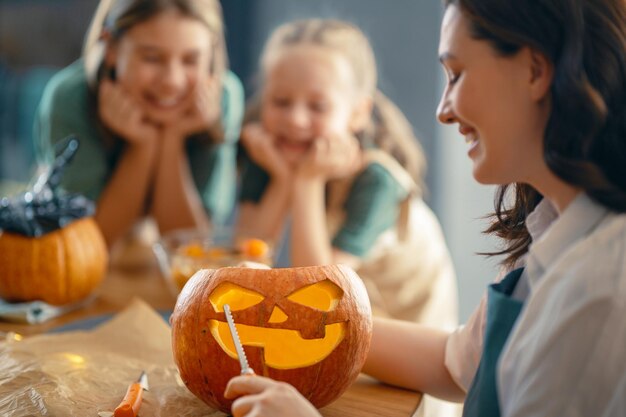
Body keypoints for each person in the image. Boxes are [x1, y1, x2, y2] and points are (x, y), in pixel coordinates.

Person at [224, 0, 626, 416]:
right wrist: (292, 324)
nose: (443, 110)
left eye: (456, 74)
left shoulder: (598, 291)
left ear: (534, 71)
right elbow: (454, 364)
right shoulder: (551, 234)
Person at [237, 18, 458, 330]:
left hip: (412, 346)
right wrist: (283, 179)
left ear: (357, 113)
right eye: (281, 102)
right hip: (348, 327)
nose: (295, 119)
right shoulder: (274, 154)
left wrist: (306, 182)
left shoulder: (378, 182)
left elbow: (317, 291)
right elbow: (247, 255)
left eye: (317, 106)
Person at [34, 0, 244, 248]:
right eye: (152, 58)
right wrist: (143, 145)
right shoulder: (69, 97)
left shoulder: (222, 99)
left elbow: (192, 250)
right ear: (110, 47)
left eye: (190, 60)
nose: (172, 81)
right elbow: (89, 245)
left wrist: (171, 138)